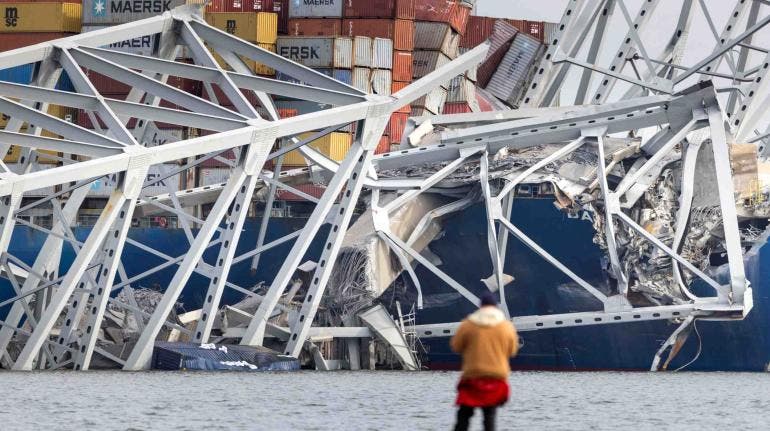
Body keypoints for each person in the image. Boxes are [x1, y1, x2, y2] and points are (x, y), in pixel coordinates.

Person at [450, 292, 519, 431]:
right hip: (496, 378)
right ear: (495, 307)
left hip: (472, 377)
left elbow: (456, 346)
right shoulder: (506, 327)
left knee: (464, 415)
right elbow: (512, 351)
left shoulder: (468, 325)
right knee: (489, 415)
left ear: (480, 306)